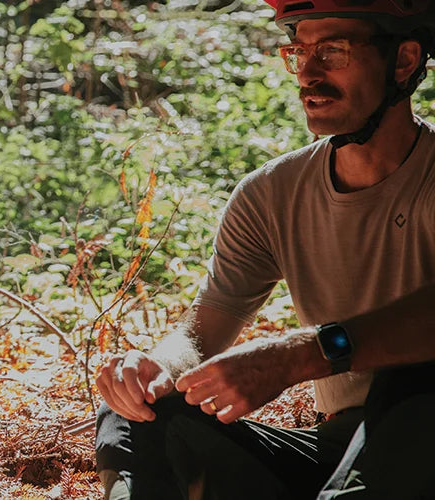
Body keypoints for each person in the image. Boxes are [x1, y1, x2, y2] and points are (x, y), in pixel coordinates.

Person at [93, 1, 435, 498]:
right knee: (138, 408)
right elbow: (205, 326)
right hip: (336, 447)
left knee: (414, 386)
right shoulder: (272, 192)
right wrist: (158, 366)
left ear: (403, 61)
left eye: (332, 51)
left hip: (420, 434)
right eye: (299, 53)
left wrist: (297, 355)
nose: (309, 74)